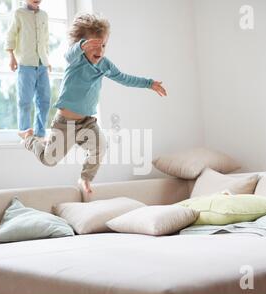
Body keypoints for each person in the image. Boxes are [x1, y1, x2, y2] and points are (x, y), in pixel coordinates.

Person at [19, 13, 167, 194]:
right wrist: (81, 46)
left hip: (87, 122)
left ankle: (85, 178)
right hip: (65, 123)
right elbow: (68, 54)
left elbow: (124, 78)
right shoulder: (76, 59)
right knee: (49, 160)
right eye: (93, 45)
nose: (100, 50)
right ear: (82, 45)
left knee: (101, 147)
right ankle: (29, 139)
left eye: (103, 45)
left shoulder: (105, 65)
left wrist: (149, 83)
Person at [6, 0, 51, 138]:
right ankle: (24, 130)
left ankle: (40, 132)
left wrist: (47, 60)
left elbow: (45, 38)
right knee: (25, 100)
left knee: (45, 100)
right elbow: (11, 35)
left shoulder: (44, 15)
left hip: (42, 63)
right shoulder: (18, 13)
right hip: (25, 63)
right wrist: (11, 56)